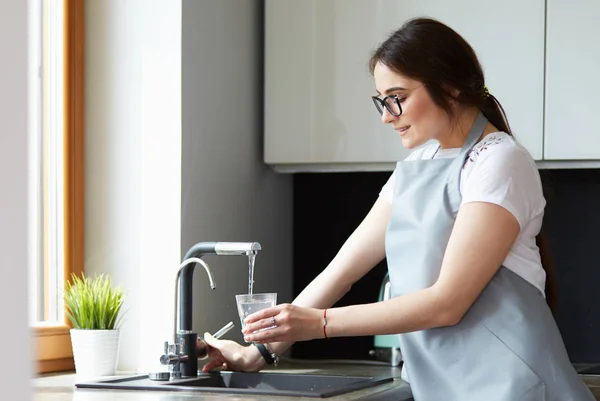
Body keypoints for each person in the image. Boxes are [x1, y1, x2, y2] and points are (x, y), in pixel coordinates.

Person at [202, 17, 595, 400]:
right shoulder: (414, 169)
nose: (387, 116)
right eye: (382, 101)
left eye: (398, 98)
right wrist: (259, 352)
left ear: (450, 88)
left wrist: (319, 324)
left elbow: (446, 303)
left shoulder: (498, 162)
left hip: (511, 388)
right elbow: (340, 273)